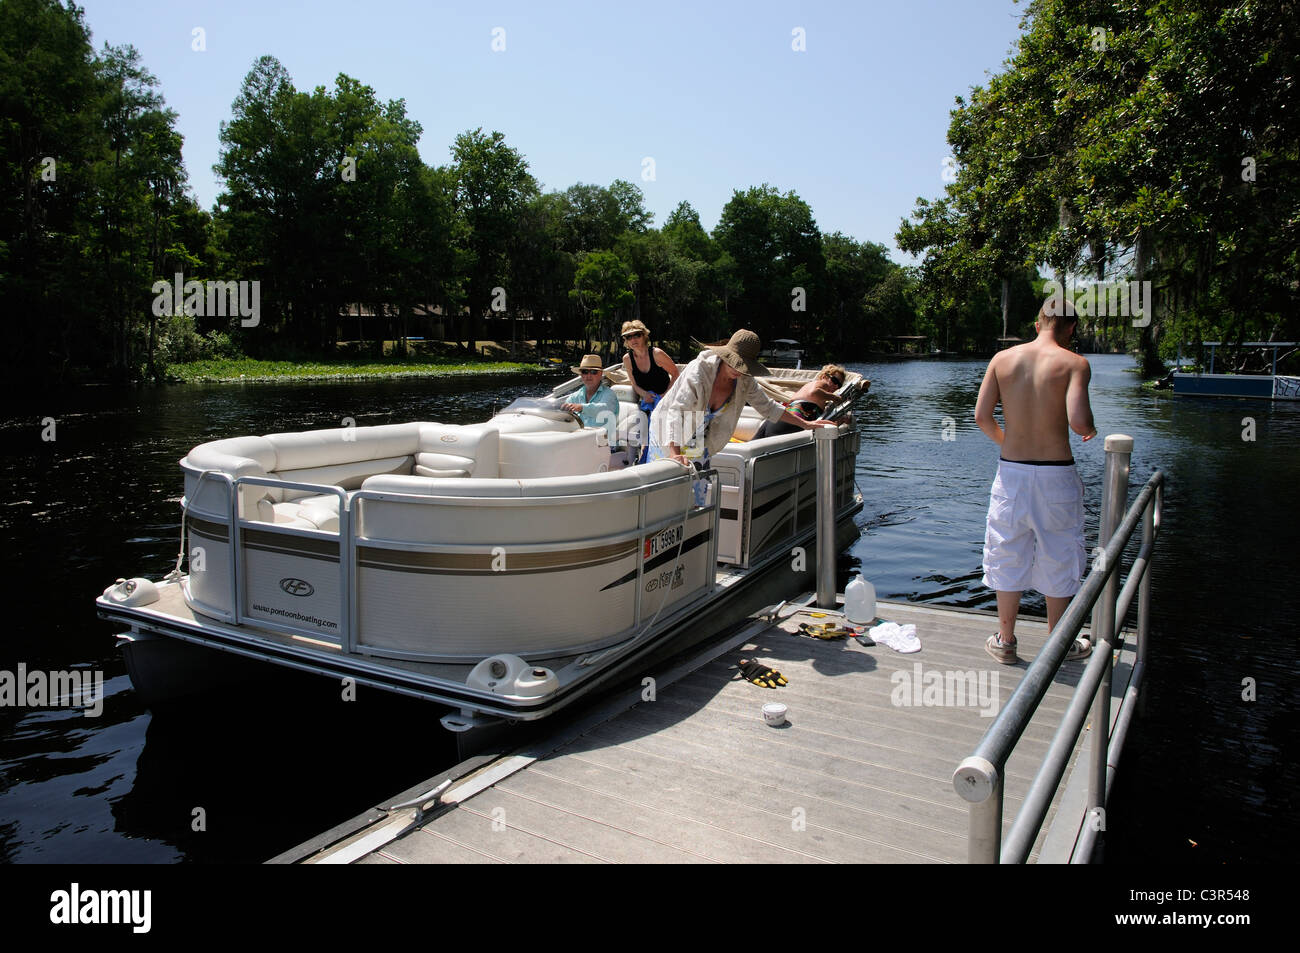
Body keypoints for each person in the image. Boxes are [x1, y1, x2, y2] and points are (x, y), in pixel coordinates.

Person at [974, 296, 1098, 665]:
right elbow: (1078, 421)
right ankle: (1058, 644)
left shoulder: (1002, 359)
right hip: (1055, 474)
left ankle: (1006, 641)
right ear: (1071, 327)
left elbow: (982, 417)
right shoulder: (1075, 363)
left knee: (1006, 550)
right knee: (1059, 553)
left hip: (1011, 472)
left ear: (1038, 322)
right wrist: (1090, 428)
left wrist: (1008, 442)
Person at [648, 329, 838, 467]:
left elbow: (768, 408)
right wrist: (674, 454)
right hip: (667, 429)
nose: (740, 370)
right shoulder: (700, 370)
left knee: (697, 495)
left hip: (700, 437)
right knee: (665, 482)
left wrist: (806, 424)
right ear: (725, 356)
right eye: (736, 364)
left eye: (745, 366)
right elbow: (677, 411)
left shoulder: (745, 380)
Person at [619, 319, 679, 462]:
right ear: (626, 341)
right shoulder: (627, 359)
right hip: (647, 402)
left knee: (663, 432)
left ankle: (663, 458)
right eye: (629, 337)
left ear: (644, 336)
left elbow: (676, 374)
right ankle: (640, 459)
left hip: (667, 400)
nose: (633, 339)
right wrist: (644, 394)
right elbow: (634, 385)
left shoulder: (657, 354)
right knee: (640, 428)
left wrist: (664, 396)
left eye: (637, 335)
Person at [752, 363, 848, 439]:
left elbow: (819, 422)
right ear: (824, 376)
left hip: (776, 419)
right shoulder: (821, 385)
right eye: (834, 381)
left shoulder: (811, 389)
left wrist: (840, 421)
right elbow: (813, 392)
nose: (836, 386)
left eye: (839, 385)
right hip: (788, 423)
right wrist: (835, 398)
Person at [561, 354, 620, 445]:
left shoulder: (609, 394)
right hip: (580, 442)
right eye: (585, 371)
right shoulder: (575, 396)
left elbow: (604, 410)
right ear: (581, 375)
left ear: (600, 374)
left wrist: (581, 407)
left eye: (593, 372)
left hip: (604, 444)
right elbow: (563, 411)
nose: (589, 375)